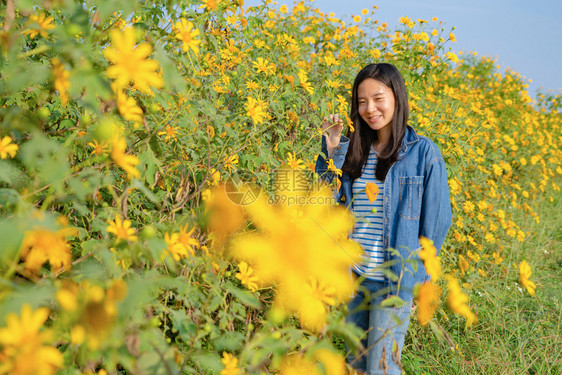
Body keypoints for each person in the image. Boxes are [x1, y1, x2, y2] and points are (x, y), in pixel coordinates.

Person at [315, 63, 452, 374]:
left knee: (382, 367)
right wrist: (331, 148)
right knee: (356, 364)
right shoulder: (352, 151)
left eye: (378, 98)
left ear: (397, 97)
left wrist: (423, 281)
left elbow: (437, 222)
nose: (369, 108)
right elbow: (323, 203)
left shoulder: (424, 153)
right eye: (361, 101)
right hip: (354, 276)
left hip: (395, 281)